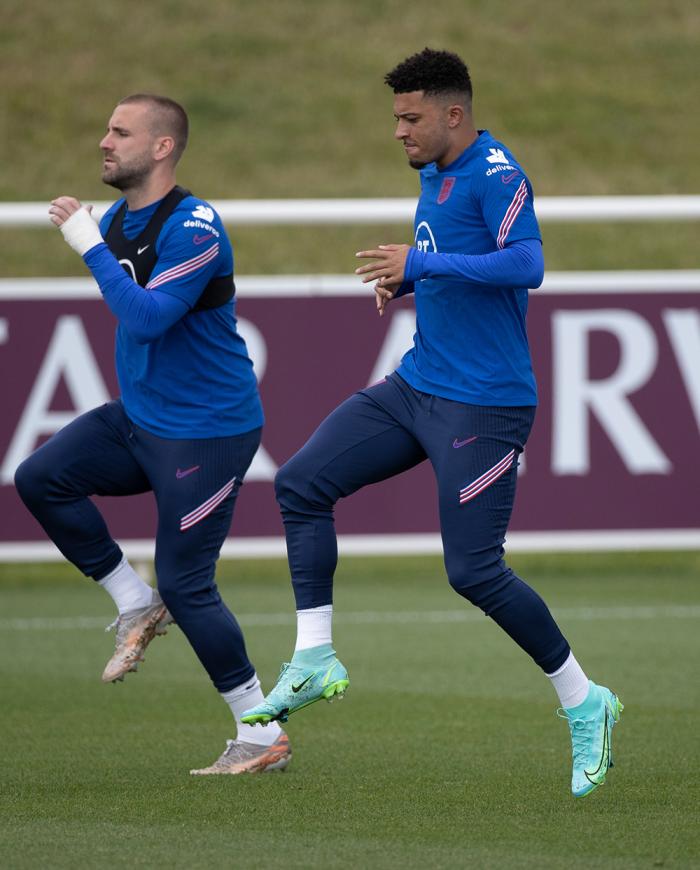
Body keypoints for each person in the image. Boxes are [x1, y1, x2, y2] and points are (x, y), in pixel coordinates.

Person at [241, 49, 623, 798]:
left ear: (454, 114)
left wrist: (423, 268)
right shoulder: (432, 171)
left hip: (486, 405)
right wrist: (409, 283)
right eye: (396, 118)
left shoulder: (497, 174)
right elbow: (454, 262)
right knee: (301, 483)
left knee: (473, 572)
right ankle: (314, 657)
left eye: (411, 118)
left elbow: (527, 264)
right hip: (417, 385)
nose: (399, 132)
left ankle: (586, 701)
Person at [14, 94, 290, 776]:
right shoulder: (116, 220)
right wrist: (96, 237)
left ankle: (262, 734)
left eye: (120, 131)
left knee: (187, 584)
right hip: (142, 420)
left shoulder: (196, 227)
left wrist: (87, 245)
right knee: (40, 478)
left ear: (162, 147)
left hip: (208, 433)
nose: (104, 141)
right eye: (106, 129)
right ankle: (135, 603)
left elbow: (146, 318)